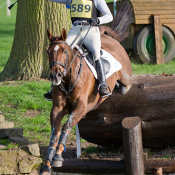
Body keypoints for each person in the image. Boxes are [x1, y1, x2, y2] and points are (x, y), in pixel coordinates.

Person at [44, 0, 113, 100]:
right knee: (63, 51)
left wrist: (97, 20)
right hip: (75, 30)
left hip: (90, 30)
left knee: (96, 53)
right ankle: (54, 87)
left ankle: (103, 85)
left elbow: (109, 16)